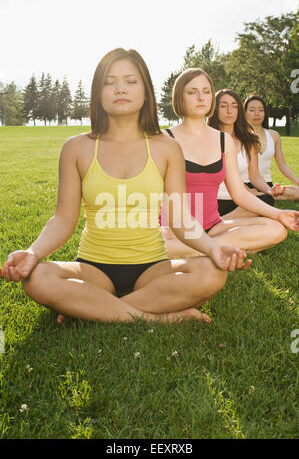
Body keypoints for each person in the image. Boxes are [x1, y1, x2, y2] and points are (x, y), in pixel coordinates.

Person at [0, 48, 252, 325]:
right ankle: (157, 318)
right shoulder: (76, 148)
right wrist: (33, 252)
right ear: (98, 93)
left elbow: (181, 219)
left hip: (153, 267)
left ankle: (90, 309)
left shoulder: (167, 148)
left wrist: (212, 248)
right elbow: (63, 219)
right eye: (110, 82)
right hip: (92, 267)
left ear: (146, 92)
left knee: (212, 273)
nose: (120, 88)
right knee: (37, 277)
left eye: (131, 81)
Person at [160, 69, 299, 259]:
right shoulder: (165, 139)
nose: (201, 97)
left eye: (206, 91)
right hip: (174, 229)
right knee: (152, 242)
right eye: (192, 92)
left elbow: (240, 193)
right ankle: (207, 248)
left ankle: (200, 249)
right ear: (179, 97)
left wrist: (278, 214)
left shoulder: (223, 140)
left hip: (213, 227)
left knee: (276, 230)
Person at [208, 89, 283, 219]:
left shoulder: (249, 141)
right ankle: (218, 222)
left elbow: (255, 176)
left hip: (240, 201)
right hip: (214, 200)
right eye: (223, 106)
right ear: (215, 109)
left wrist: (268, 190)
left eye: (234, 106)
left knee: (267, 200)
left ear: (239, 111)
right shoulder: (206, 138)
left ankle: (222, 221)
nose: (229, 111)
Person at [244, 95, 299, 202]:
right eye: (252, 110)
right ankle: (260, 197)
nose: (257, 114)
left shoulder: (274, 135)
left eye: (261, 110)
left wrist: (297, 181)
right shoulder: (239, 136)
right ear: (244, 112)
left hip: (267, 184)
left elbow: (282, 164)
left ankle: (266, 195)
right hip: (244, 184)